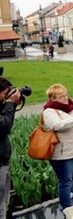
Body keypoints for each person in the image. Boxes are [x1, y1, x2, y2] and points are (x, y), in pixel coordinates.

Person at [0, 79, 22, 219]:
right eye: (3, 93)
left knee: (4, 202)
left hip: (2, 161)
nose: (5, 95)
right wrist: (10, 103)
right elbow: (4, 126)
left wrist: (12, 105)